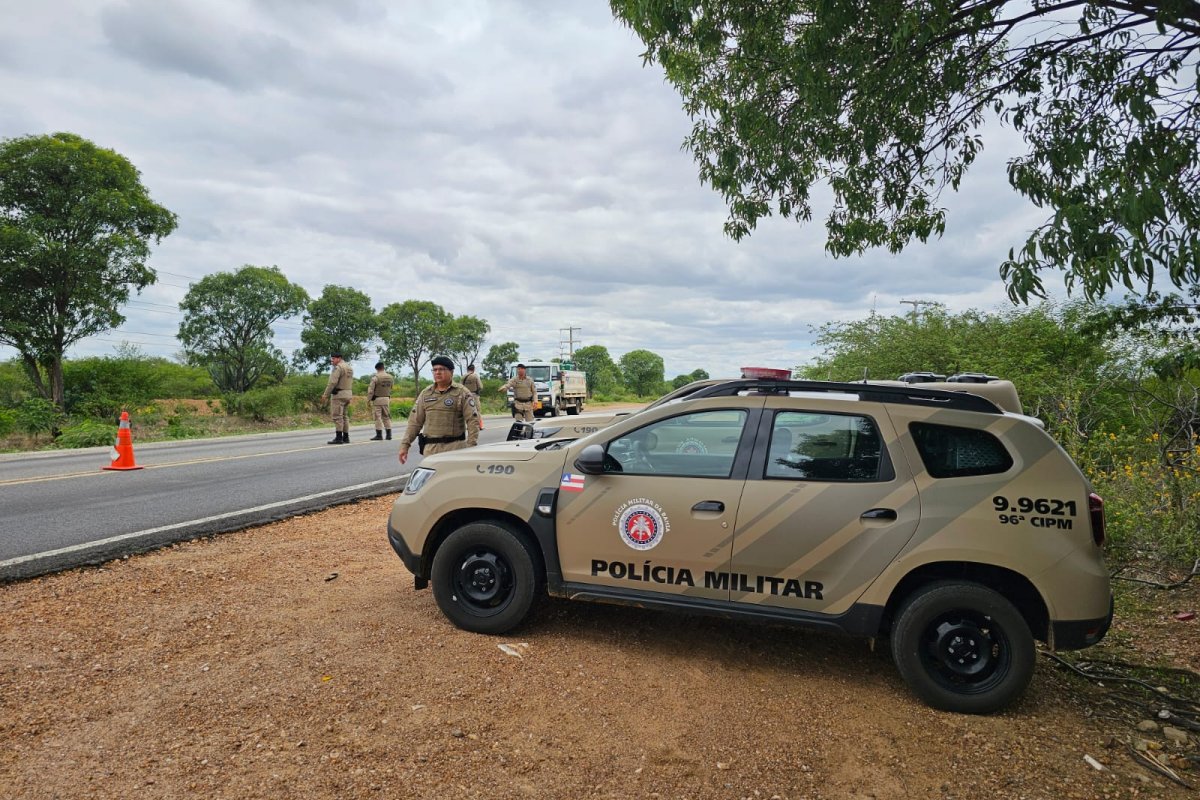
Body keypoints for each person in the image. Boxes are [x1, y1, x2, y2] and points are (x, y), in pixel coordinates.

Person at [398, 356, 480, 465]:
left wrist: (471, 447)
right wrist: (405, 445)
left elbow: (472, 421)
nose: (437, 372)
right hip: (431, 450)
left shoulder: (462, 392)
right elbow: (415, 422)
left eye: (441, 369)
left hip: (455, 449)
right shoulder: (426, 393)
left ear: (451, 372)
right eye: (435, 370)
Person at [321, 352, 354, 444]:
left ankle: (339, 438)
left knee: (337, 416)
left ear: (339, 358)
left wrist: (325, 394)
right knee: (344, 416)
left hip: (339, 394)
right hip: (348, 393)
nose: (332, 360)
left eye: (333, 358)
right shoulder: (349, 367)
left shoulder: (338, 368)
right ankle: (346, 437)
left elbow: (332, 382)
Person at [367, 361, 394, 441]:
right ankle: (389, 435)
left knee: (377, 417)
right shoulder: (390, 377)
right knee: (386, 417)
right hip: (387, 399)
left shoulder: (375, 378)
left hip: (377, 399)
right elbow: (391, 387)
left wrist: (369, 399)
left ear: (377, 369)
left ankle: (379, 435)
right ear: (383, 367)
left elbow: (371, 390)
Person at [461, 363, 484, 430]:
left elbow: (460, 387)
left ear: (467, 369)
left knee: (467, 411)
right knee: (477, 410)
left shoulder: (463, 377)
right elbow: (480, 386)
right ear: (473, 369)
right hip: (474, 395)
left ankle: (468, 426)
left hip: (465, 396)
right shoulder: (475, 376)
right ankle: (479, 426)